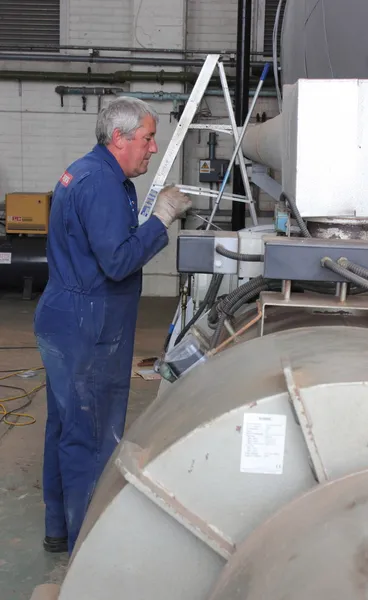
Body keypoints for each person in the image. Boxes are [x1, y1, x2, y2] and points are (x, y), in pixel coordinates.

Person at [34, 97, 191, 555]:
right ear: (119, 138)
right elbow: (118, 260)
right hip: (89, 326)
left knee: (65, 426)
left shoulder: (90, 172)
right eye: (146, 138)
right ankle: (89, 544)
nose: (153, 148)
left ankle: (59, 528)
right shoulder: (102, 183)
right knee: (92, 433)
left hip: (67, 316)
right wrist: (162, 217)